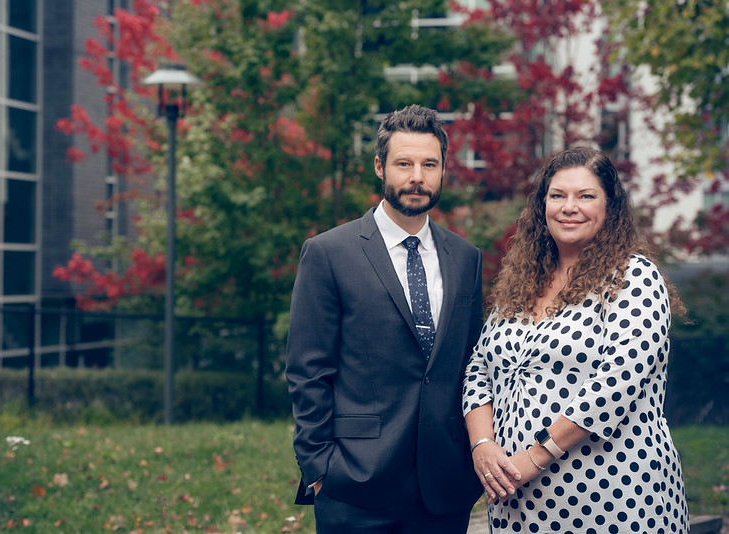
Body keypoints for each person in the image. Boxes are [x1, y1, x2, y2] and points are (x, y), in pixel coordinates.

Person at [463, 146, 690, 533]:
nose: (570, 207)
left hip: (614, 498)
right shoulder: (521, 283)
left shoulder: (633, 278)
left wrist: (534, 457)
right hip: (518, 506)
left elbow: (615, 383)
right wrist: (482, 446)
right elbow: (477, 371)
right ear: (542, 205)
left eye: (586, 196)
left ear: (610, 207)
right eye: (558, 195)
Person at [286, 104, 484, 532]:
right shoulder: (328, 254)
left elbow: (474, 367)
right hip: (355, 487)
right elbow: (307, 371)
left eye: (430, 164)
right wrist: (320, 468)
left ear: (443, 170)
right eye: (404, 163)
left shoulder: (466, 259)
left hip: (444, 490)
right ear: (380, 166)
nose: (417, 176)